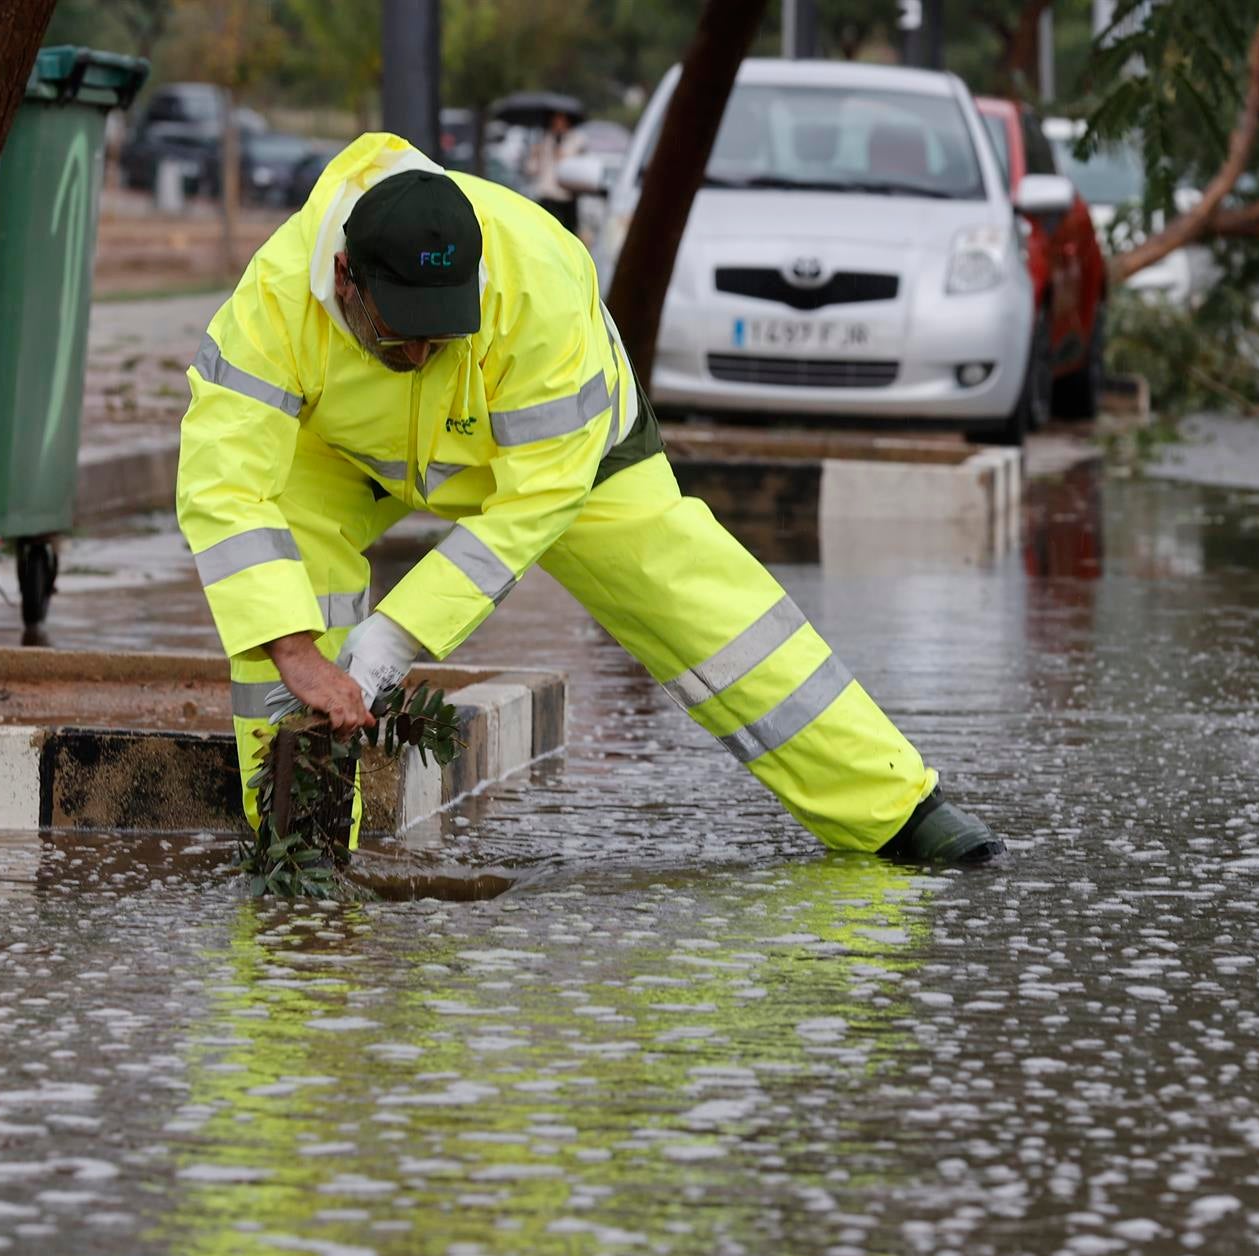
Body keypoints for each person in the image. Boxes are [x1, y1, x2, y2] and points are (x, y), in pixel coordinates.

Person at [175, 133, 1004, 867]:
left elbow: (532, 503)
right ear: (344, 278)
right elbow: (225, 480)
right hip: (347, 450)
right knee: (279, 575)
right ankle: (300, 845)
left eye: (441, 333)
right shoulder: (276, 299)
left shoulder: (538, 284)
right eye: (399, 336)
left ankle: (894, 806)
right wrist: (295, 648)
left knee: (701, 600)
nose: (422, 351)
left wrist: (396, 634)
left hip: (564, 456)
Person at [527, 111, 579, 232]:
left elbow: (572, 164)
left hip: (566, 195)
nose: (558, 124)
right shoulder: (545, 139)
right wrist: (535, 154)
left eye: (561, 120)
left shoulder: (575, 139)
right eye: (555, 120)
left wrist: (560, 149)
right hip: (547, 193)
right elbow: (532, 169)